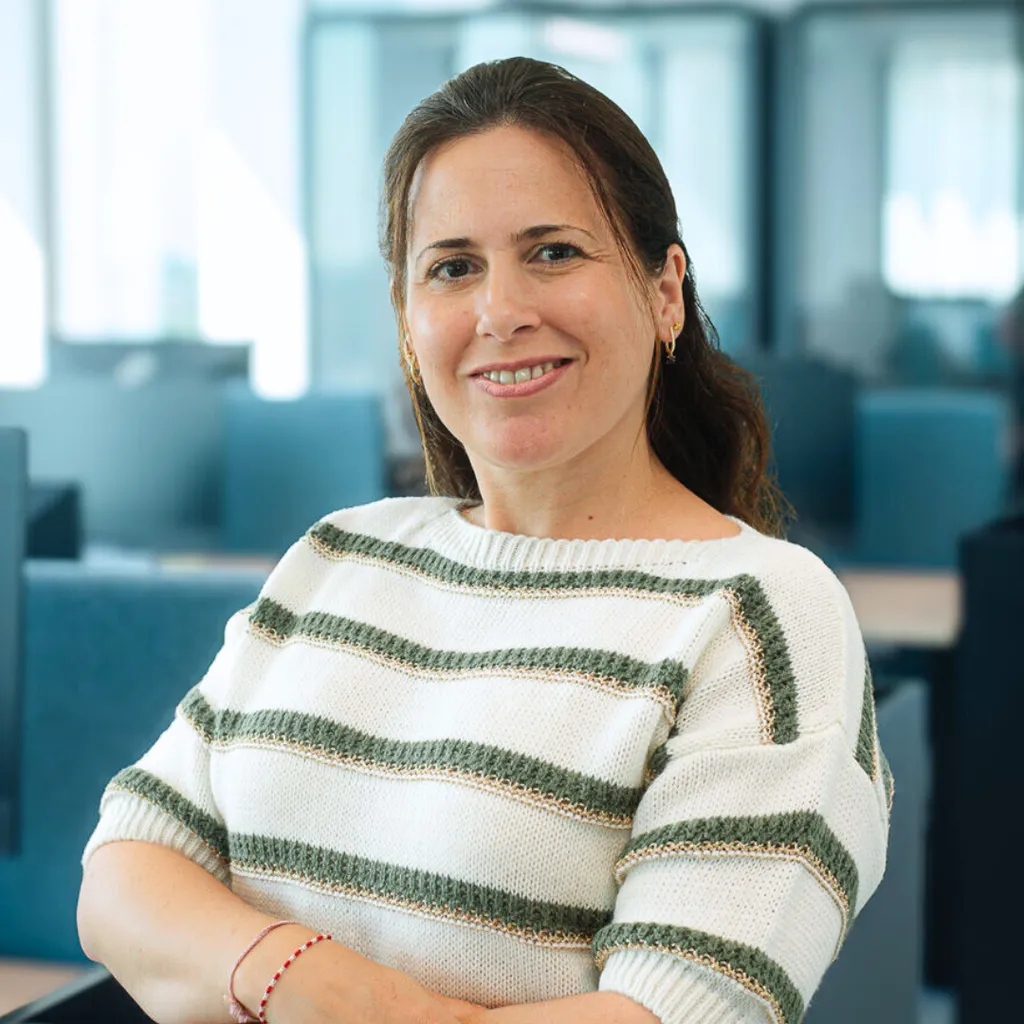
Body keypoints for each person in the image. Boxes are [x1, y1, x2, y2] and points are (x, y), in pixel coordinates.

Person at [77, 57, 891, 1024]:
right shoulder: (335, 560)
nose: (500, 312)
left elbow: (673, 1013)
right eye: (453, 267)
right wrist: (314, 980)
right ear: (410, 321)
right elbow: (122, 875)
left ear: (665, 289)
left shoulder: (757, 617)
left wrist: (271, 981)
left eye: (553, 252)